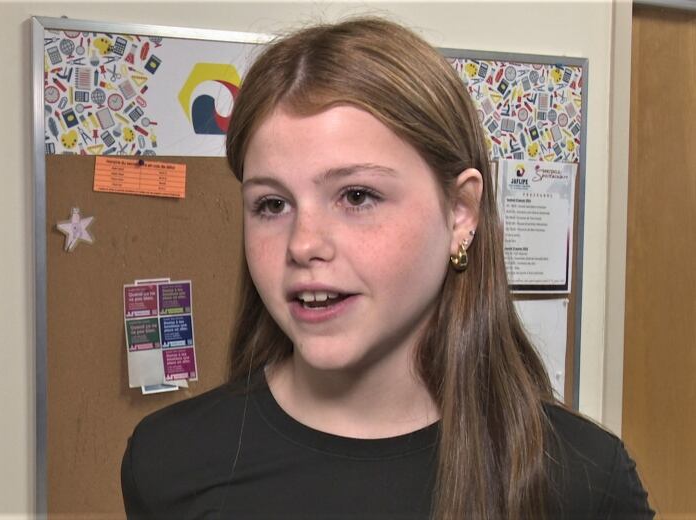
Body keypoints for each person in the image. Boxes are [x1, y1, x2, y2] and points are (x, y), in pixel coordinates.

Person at [121, 17, 653, 520]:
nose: (304, 244)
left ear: (460, 212)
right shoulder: (170, 463)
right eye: (272, 205)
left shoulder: (581, 479)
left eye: (357, 196)